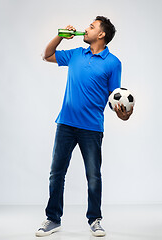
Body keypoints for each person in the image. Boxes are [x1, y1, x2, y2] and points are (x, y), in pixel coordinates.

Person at [35, 16, 133, 238]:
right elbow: (47, 55)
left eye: (91, 27)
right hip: (66, 124)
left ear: (101, 35)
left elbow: (115, 98)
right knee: (56, 173)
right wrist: (60, 37)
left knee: (93, 176)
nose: (85, 29)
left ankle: (95, 220)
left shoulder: (113, 63)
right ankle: (52, 219)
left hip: (92, 128)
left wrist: (124, 115)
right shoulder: (76, 54)